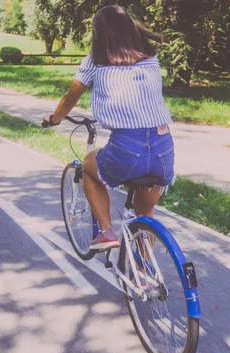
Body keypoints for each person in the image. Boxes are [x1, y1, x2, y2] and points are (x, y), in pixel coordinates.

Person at [43, 5, 174, 251]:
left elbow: (70, 99)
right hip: (163, 148)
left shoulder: (96, 60)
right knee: (145, 211)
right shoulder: (149, 56)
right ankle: (146, 276)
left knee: (88, 168)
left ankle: (106, 232)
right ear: (129, 28)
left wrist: (54, 119)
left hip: (127, 148)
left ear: (99, 33)